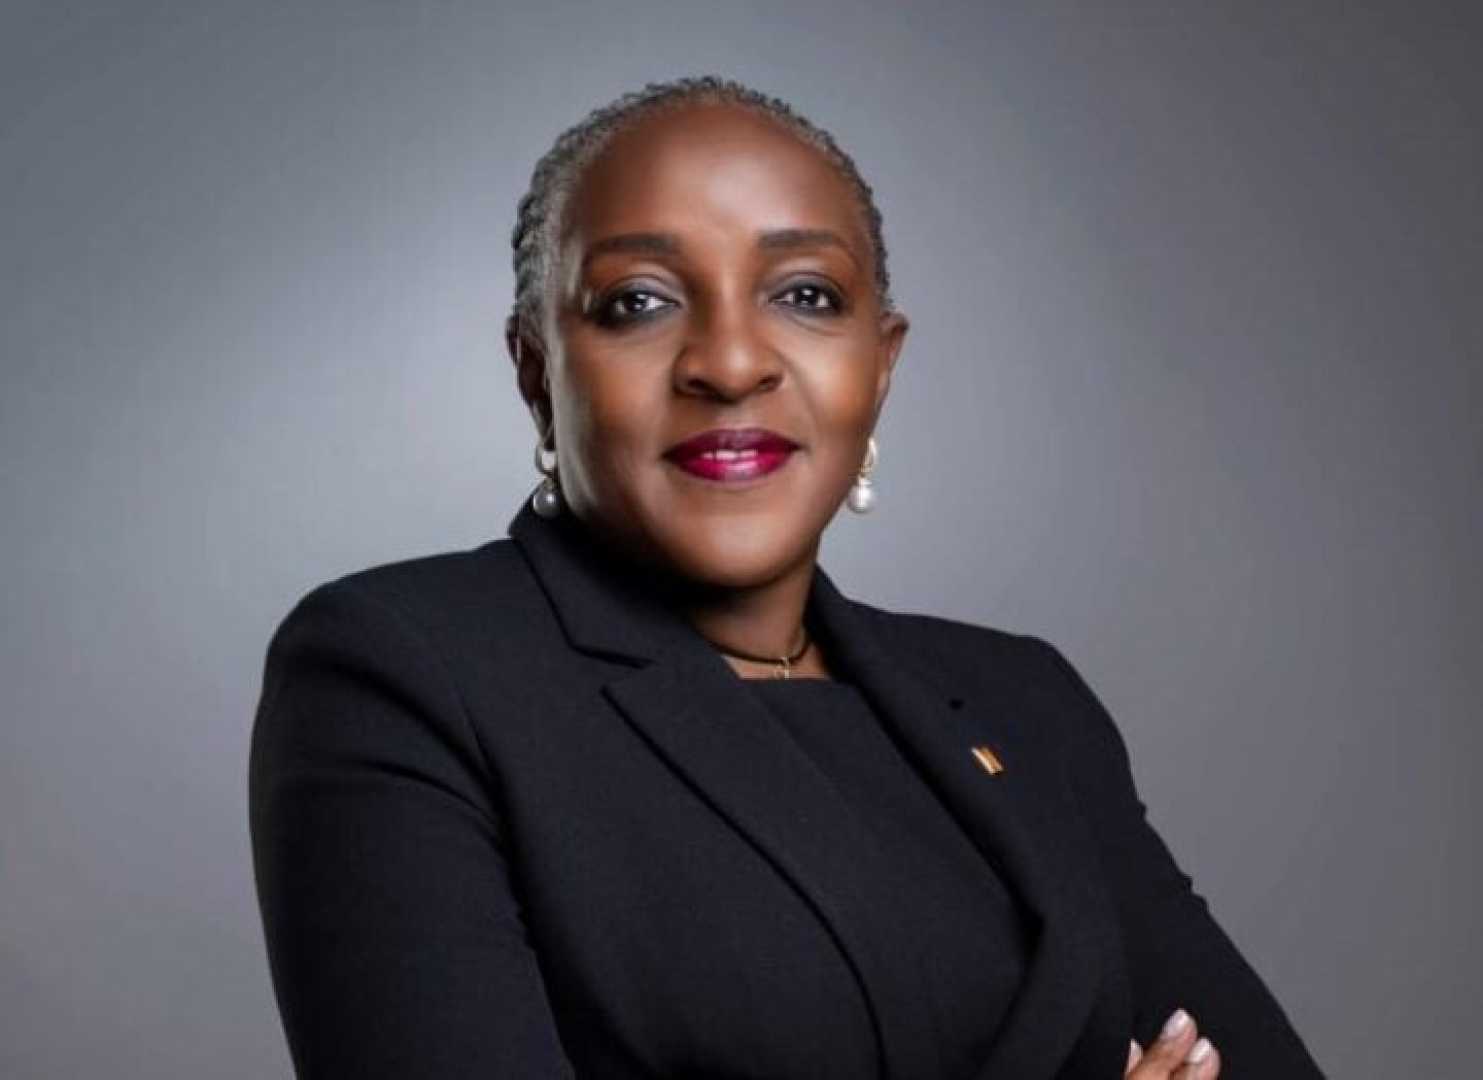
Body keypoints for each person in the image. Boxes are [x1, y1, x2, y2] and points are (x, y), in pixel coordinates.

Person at [249, 76, 1324, 1078]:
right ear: (537, 370)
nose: (730, 363)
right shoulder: (404, 672)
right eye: (637, 302)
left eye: (805, 294)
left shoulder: (1025, 698)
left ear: (880, 366)